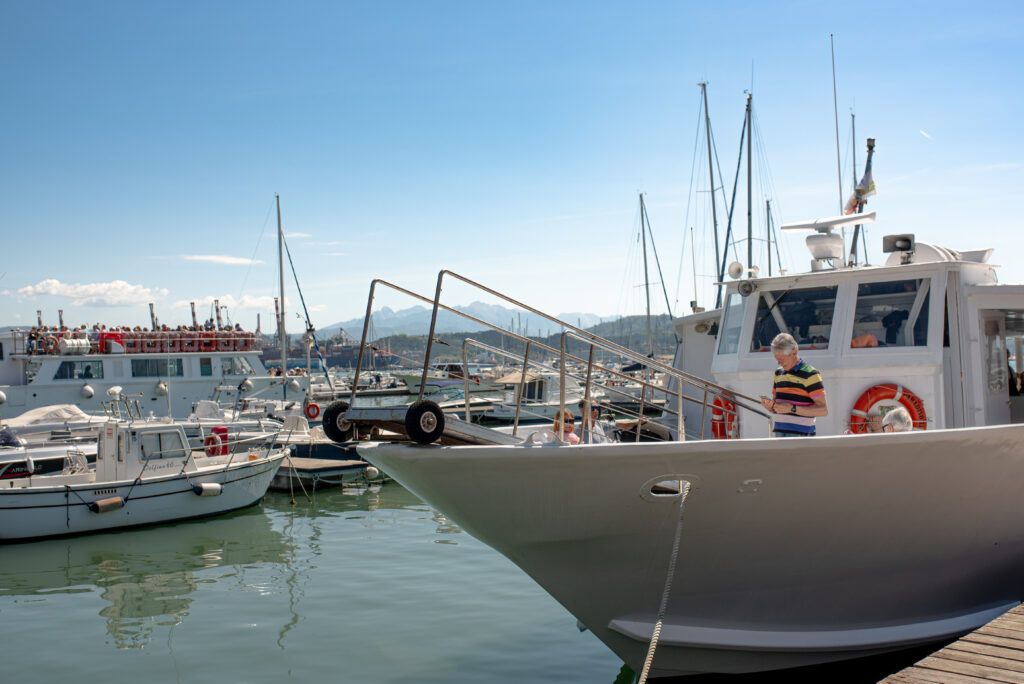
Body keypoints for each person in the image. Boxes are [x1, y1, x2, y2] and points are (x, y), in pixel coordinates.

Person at [759, 333, 828, 437]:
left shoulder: (811, 374)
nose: (779, 363)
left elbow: (823, 410)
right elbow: (777, 407)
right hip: (779, 433)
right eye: (777, 359)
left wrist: (792, 408)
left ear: (794, 352)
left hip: (802, 435)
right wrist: (770, 407)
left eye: (782, 359)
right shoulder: (778, 373)